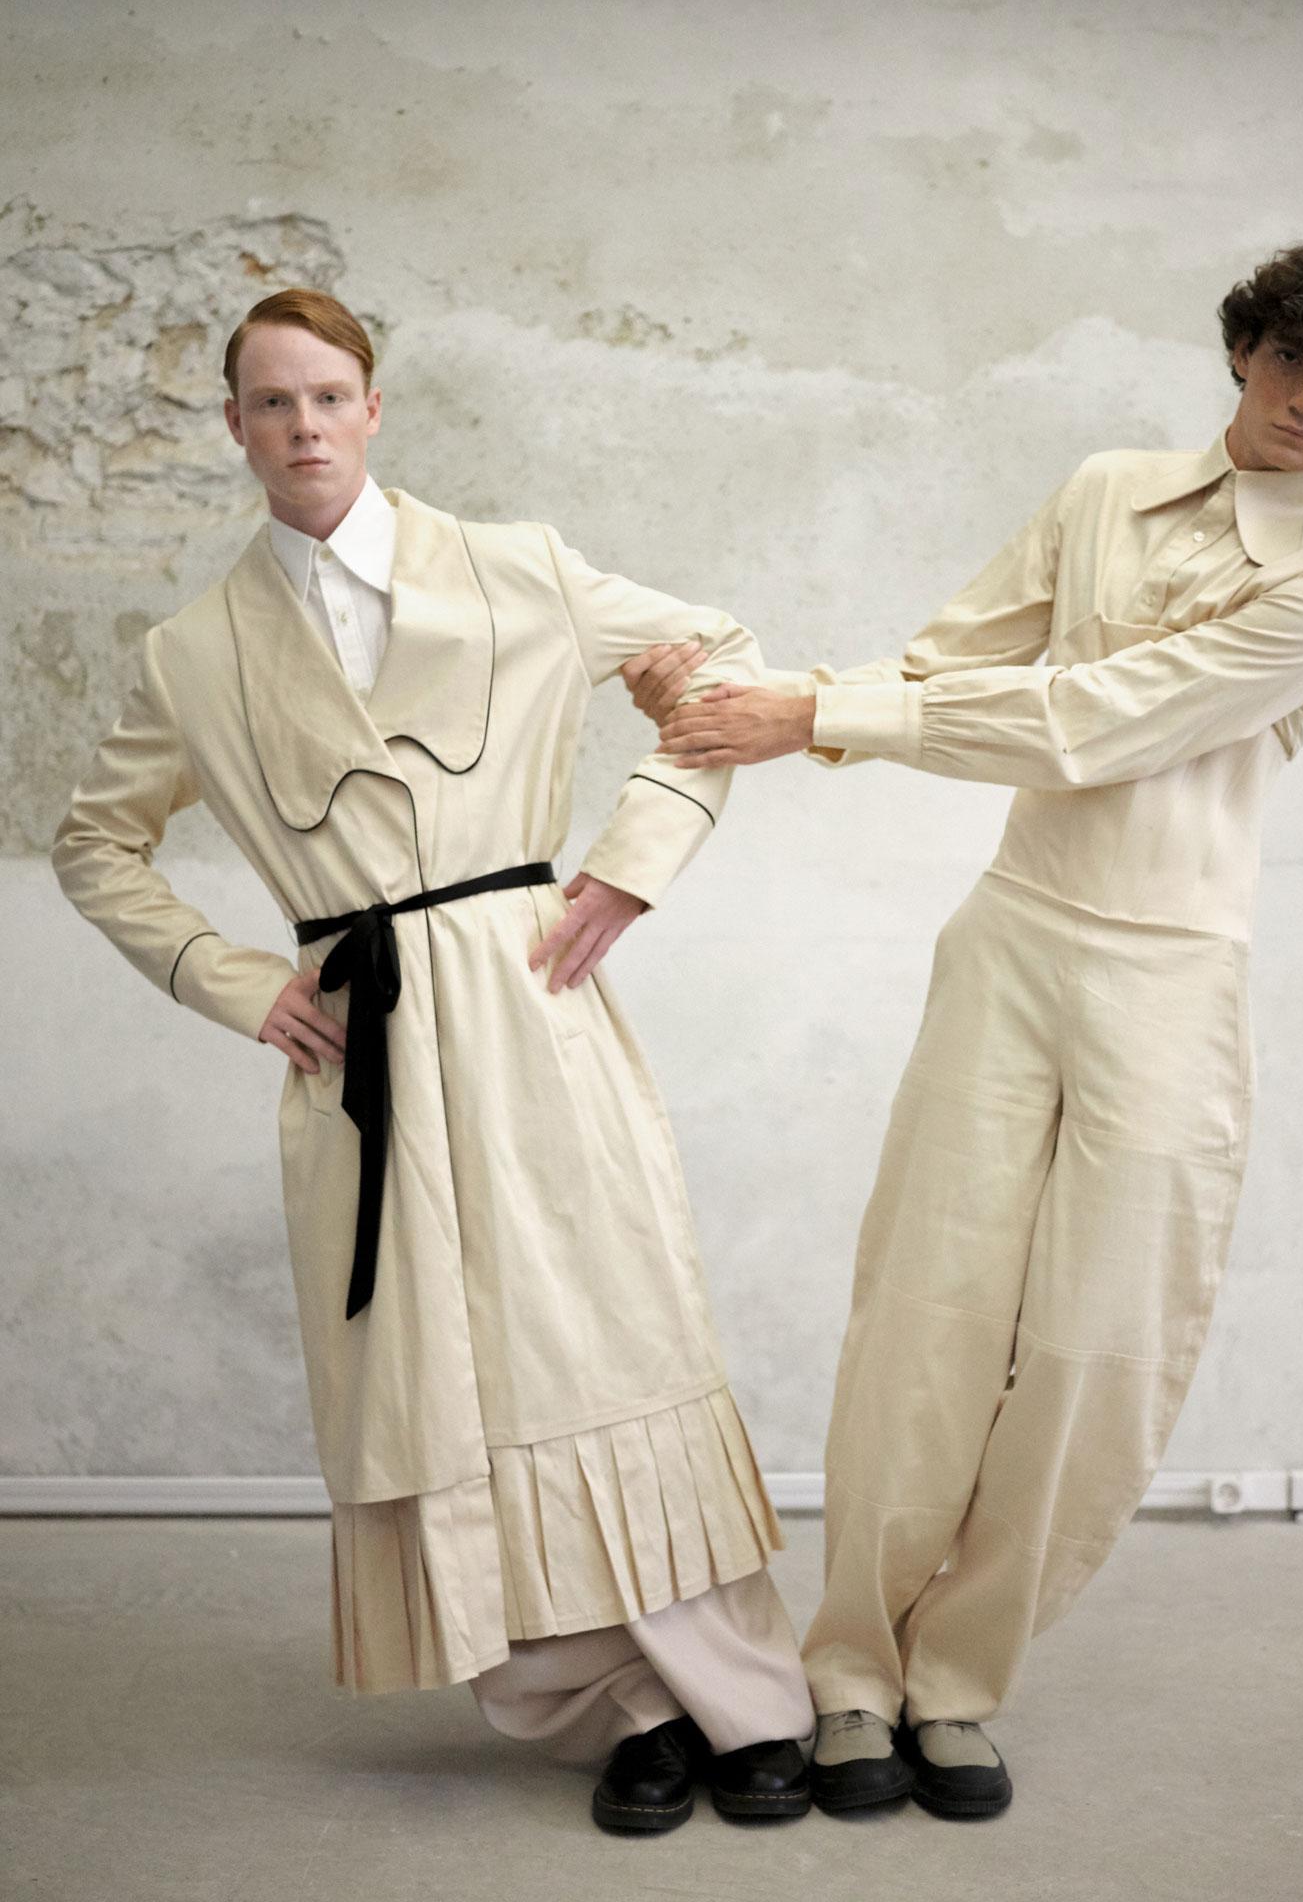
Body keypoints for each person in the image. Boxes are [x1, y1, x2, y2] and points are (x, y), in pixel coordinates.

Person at [621, 240, 1303, 1820]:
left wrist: (817, 716)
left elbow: (1097, 720)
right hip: (1011, 942)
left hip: (1173, 977)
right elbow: (954, 660)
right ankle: (849, 1671)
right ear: (1244, 353)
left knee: (1094, 1350)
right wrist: (759, 693)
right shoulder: (1102, 493)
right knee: (923, 1312)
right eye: (1292, 358)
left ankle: (958, 1679)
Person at [50, 287, 814, 1835]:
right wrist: (235, 983)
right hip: (364, 1049)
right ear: (235, 427)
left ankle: (744, 1698)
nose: (305, 427)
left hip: (531, 1003)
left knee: (608, 1344)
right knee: (439, 1384)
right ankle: (624, 1709)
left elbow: (720, 657)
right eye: (273, 403)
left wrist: (630, 866)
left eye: (329, 396)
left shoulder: (520, 570)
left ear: (374, 408)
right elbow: (93, 843)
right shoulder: (192, 655)